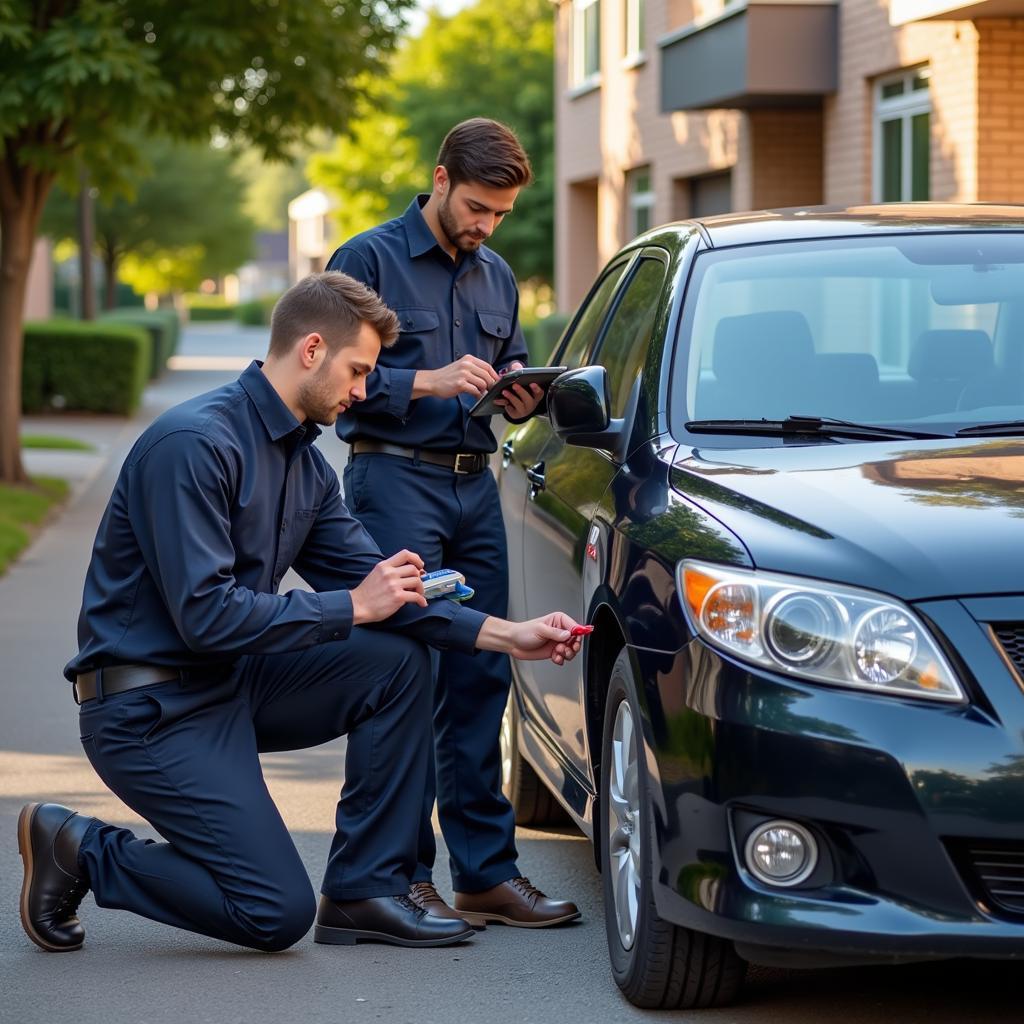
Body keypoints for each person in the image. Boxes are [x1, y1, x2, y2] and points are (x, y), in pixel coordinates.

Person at [18, 272, 583, 955]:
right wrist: (351, 605)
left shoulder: (305, 468)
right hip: (147, 712)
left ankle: (363, 890)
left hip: (230, 684)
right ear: (312, 349)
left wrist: (506, 635)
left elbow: (384, 591)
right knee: (272, 911)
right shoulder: (193, 444)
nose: (365, 392)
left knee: (398, 661)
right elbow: (206, 616)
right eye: (359, 370)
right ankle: (80, 848)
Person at [326, 118, 578, 928]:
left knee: (481, 681)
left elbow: (514, 367)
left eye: (499, 214)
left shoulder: (496, 274)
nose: (485, 226)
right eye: (476, 207)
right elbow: (328, 383)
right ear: (439, 180)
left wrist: (521, 393)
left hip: (477, 489)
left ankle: (486, 875)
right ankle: (395, 880)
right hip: (394, 484)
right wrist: (426, 381)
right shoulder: (366, 261)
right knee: (404, 676)